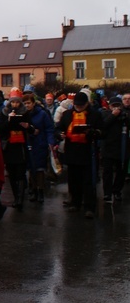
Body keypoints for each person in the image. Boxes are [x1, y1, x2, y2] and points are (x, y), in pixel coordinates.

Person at [55, 91, 103, 219]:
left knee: (88, 181)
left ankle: (90, 207)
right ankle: (75, 203)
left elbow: (101, 131)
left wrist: (92, 132)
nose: (79, 107)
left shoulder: (95, 114)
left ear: (87, 104)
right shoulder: (67, 115)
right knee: (73, 180)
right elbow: (58, 128)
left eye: (81, 106)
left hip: (88, 151)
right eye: (77, 105)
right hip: (72, 151)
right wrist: (60, 134)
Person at [0, 88, 29, 211]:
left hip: (20, 146)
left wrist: (27, 126)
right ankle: (16, 196)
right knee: (12, 174)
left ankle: (20, 199)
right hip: (9, 146)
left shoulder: (25, 113)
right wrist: (9, 121)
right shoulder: (4, 113)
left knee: (20, 173)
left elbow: (31, 128)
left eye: (17, 102)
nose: (14, 105)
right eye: (13, 102)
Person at [22, 93, 55, 203]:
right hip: (28, 142)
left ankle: (40, 191)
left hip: (40, 143)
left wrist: (50, 142)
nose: (27, 105)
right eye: (25, 103)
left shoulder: (42, 114)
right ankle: (33, 190)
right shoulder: (23, 114)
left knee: (40, 168)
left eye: (28, 103)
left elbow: (49, 128)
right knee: (31, 168)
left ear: (33, 103)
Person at [100, 96, 127, 203]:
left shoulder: (125, 115)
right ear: (109, 106)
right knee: (107, 172)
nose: (116, 108)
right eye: (113, 105)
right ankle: (107, 193)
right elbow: (103, 125)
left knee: (121, 172)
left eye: (118, 105)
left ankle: (117, 191)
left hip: (122, 147)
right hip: (108, 147)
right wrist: (113, 116)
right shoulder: (105, 114)